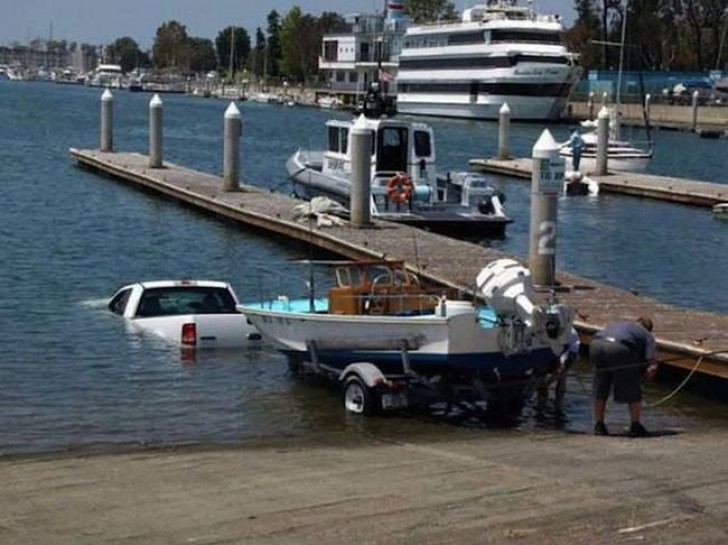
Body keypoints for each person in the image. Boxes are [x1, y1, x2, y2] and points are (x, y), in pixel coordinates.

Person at [590, 316, 658, 437]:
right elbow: (652, 366)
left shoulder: (622, 325)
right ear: (649, 329)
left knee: (601, 386)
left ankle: (599, 425)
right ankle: (635, 425)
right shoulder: (647, 335)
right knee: (633, 386)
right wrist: (644, 379)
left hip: (596, 344)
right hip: (619, 348)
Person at [536, 326, 580, 415]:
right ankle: (541, 400)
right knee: (541, 376)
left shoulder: (569, 334)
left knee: (562, 376)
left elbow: (566, 350)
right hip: (549, 349)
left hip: (569, 350)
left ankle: (558, 405)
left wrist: (562, 365)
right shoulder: (542, 331)